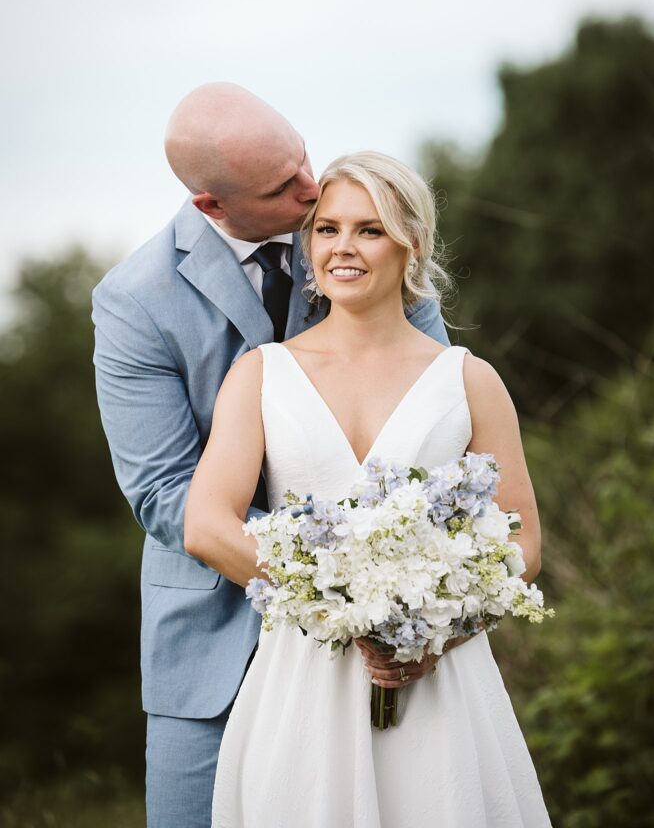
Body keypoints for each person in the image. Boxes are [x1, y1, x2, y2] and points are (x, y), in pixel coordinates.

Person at [91, 86, 448, 828]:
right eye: (281, 187)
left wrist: (392, 589)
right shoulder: (134, 301)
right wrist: (342, 573)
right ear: (211, 207)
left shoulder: (359, 237)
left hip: (383, 642)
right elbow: (164, 493)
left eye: (303, 161)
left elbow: (437, 419)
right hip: (211, 641)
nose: (311, 191)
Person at [185, 151, 552, 827]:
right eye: (326, 229)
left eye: (369, 230)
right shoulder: (261, 375)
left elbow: (522, 543)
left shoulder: (468, 381)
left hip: (439, 679)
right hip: (302, 678)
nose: (343, 248)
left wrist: (434, 635)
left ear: (412, 244)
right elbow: (206, 525)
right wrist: (345, 610)